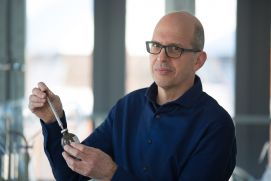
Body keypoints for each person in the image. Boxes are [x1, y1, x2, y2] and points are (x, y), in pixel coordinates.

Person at [28, 11, 236, 181]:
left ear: (198, 61)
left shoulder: (216, 126)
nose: (161, 58)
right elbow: (70, 175)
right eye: (156, 46)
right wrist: (52, 120)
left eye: (174, 48)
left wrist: (112, 174)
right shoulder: (128, 108)